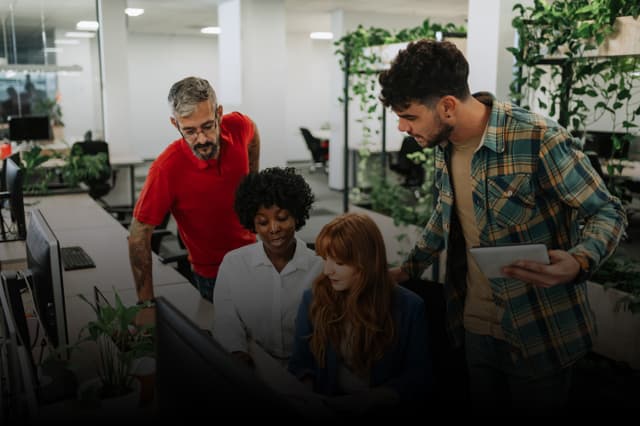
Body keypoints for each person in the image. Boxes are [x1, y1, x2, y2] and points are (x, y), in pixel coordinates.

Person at [378, 39, 627, 413]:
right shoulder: (444, 145)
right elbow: (446, 215)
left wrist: (579, 260)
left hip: (539, 330)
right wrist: (406, 270)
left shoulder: (538, 138)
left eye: (410, 116)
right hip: (474, 324)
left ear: (447, 106)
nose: (401, 127)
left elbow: (607, 212)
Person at [129, 76, 260, 313]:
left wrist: (253, 181)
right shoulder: (166, 168)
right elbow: (139, 234)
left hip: (255, 257)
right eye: (189, 131)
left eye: (208, 126)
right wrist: (146, 304)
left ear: (219, 114)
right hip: (213, 275)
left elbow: (253, 135)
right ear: (175, 124)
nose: (201, 139)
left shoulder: (238, 126)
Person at [288, 212, 431, 417]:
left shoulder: (410, 307)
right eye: (325, 258)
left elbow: (419, 379)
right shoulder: (313, 298)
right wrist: (309, 398)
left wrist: (373, 399)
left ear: (367, 263)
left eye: (339, 263)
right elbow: (301, 364)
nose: (327, 270)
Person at [213, 167, 323, 368]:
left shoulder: (320, 266)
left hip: (311, 369)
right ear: (253, 224)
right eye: (263, 222)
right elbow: (226, 319)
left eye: (282, 218)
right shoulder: (234, 264)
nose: (273, 228)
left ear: (297, 216)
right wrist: (237, 353)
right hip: (257, 365)